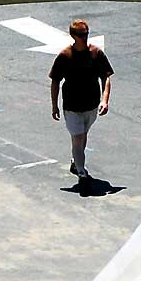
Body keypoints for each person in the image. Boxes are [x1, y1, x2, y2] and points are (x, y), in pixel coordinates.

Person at [49, 19, 114, 186]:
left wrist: (105, 100)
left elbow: (105, 76)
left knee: (82, 136)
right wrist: (54, 105)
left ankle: (75, 160)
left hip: (91, 105)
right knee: (78, 138)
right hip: (71, 106)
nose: (84, 38)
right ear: (73, 36)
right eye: (80, 35)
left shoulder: (96, 53)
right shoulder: (65, 56)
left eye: (86, 34)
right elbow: (55, 80)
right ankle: (81, 172)